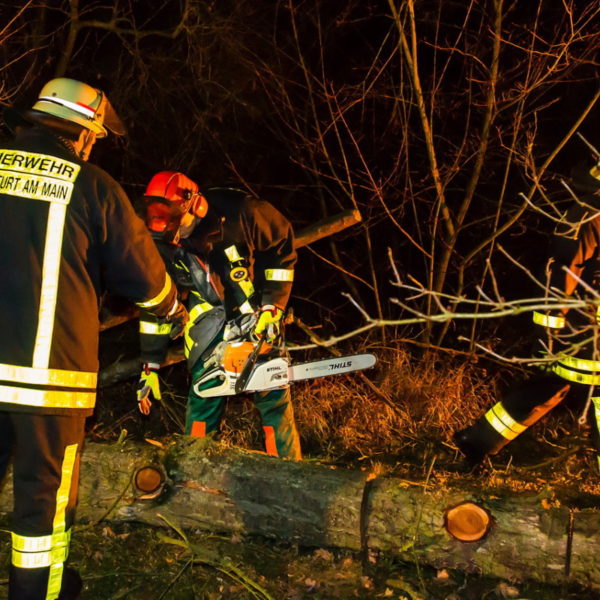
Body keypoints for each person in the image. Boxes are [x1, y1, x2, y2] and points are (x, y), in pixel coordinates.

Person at [0, 78, 188, 600]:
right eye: (95, 137)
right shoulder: (93, 186)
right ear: (83, 133)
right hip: (48, 382)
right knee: (43, 509)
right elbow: (147, 282)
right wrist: (178, 310)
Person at [136, 171, 302, 460]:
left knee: (272, 396)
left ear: (193, 206)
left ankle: (289, 470)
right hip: (208, 322)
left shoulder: (241, 213)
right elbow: (157, 302)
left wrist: (272, 306)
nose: (169, 229)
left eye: (172, 218)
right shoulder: (161, 243)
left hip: (255, 312)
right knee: (203, 392)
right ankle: (194, 469)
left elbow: (281, 244)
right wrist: (150, 363)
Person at [453, 158, 600, 469]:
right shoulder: (588, 217)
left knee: (551, 386)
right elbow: (561, 274)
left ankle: (477, 441)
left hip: (582, 326)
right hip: (583, 326)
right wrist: (550, 330)